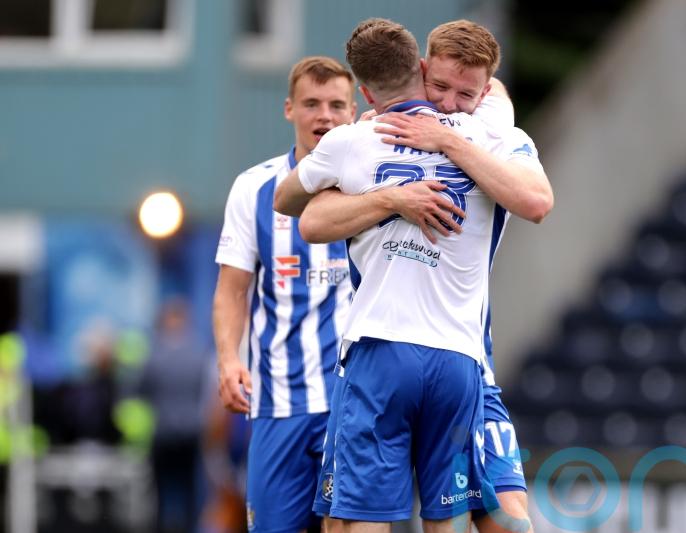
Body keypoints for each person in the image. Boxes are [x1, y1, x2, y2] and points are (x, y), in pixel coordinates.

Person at [274, 18, 553, 532]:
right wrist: (396, 195)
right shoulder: (495, 133)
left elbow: (293, 206)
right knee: (462, 517)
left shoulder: (357, 139)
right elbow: (511, 132)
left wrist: (439, 147)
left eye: (463, 94)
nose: (447, 103)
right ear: (421, 69)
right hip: (459, 360)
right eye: (440, 88)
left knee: (358, 518)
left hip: (387, 350)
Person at [212, 55, 463, 533]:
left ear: (354, 112)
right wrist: (228, 360)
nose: (323, 116)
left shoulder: (380, 176)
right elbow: (232, 290)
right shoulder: (255, 187)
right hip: (279, 401)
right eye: (310, 103)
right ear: (289, 109)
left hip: (354, 399)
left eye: (334, 105)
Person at [140, 298, 210, 533]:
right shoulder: (198, 353)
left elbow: (141, 390)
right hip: (192, 431)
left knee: (160, 494)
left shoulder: (154, 354)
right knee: (190, 492)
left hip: (163, 432)